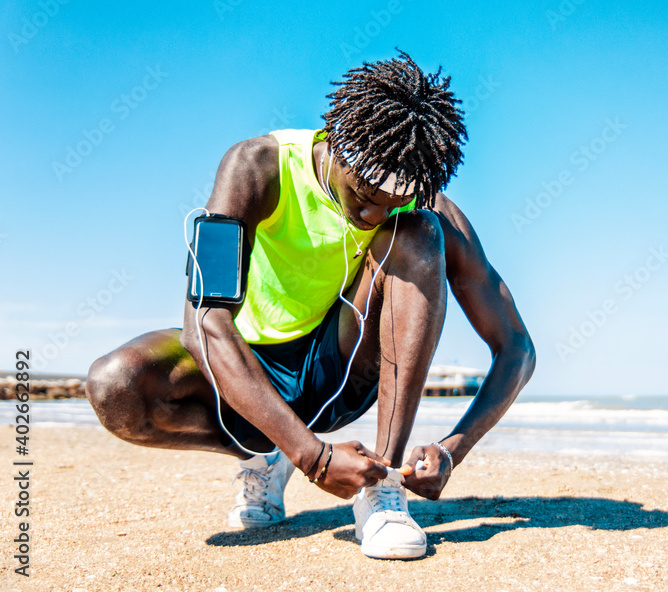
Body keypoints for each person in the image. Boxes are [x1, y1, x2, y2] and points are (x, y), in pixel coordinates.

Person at [84, 50, 536, 560]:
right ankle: (264, 452)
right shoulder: (256, 167)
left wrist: (454, 450)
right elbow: (204, 324)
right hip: (242, 374)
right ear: (335, 138)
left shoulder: (420, 204)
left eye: (393, 200)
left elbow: (516, 348)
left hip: (339, 372)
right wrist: (310, 456)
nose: (373, 215)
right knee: (117, 385)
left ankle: (382, 490)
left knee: (418, 234)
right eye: (364, 194)